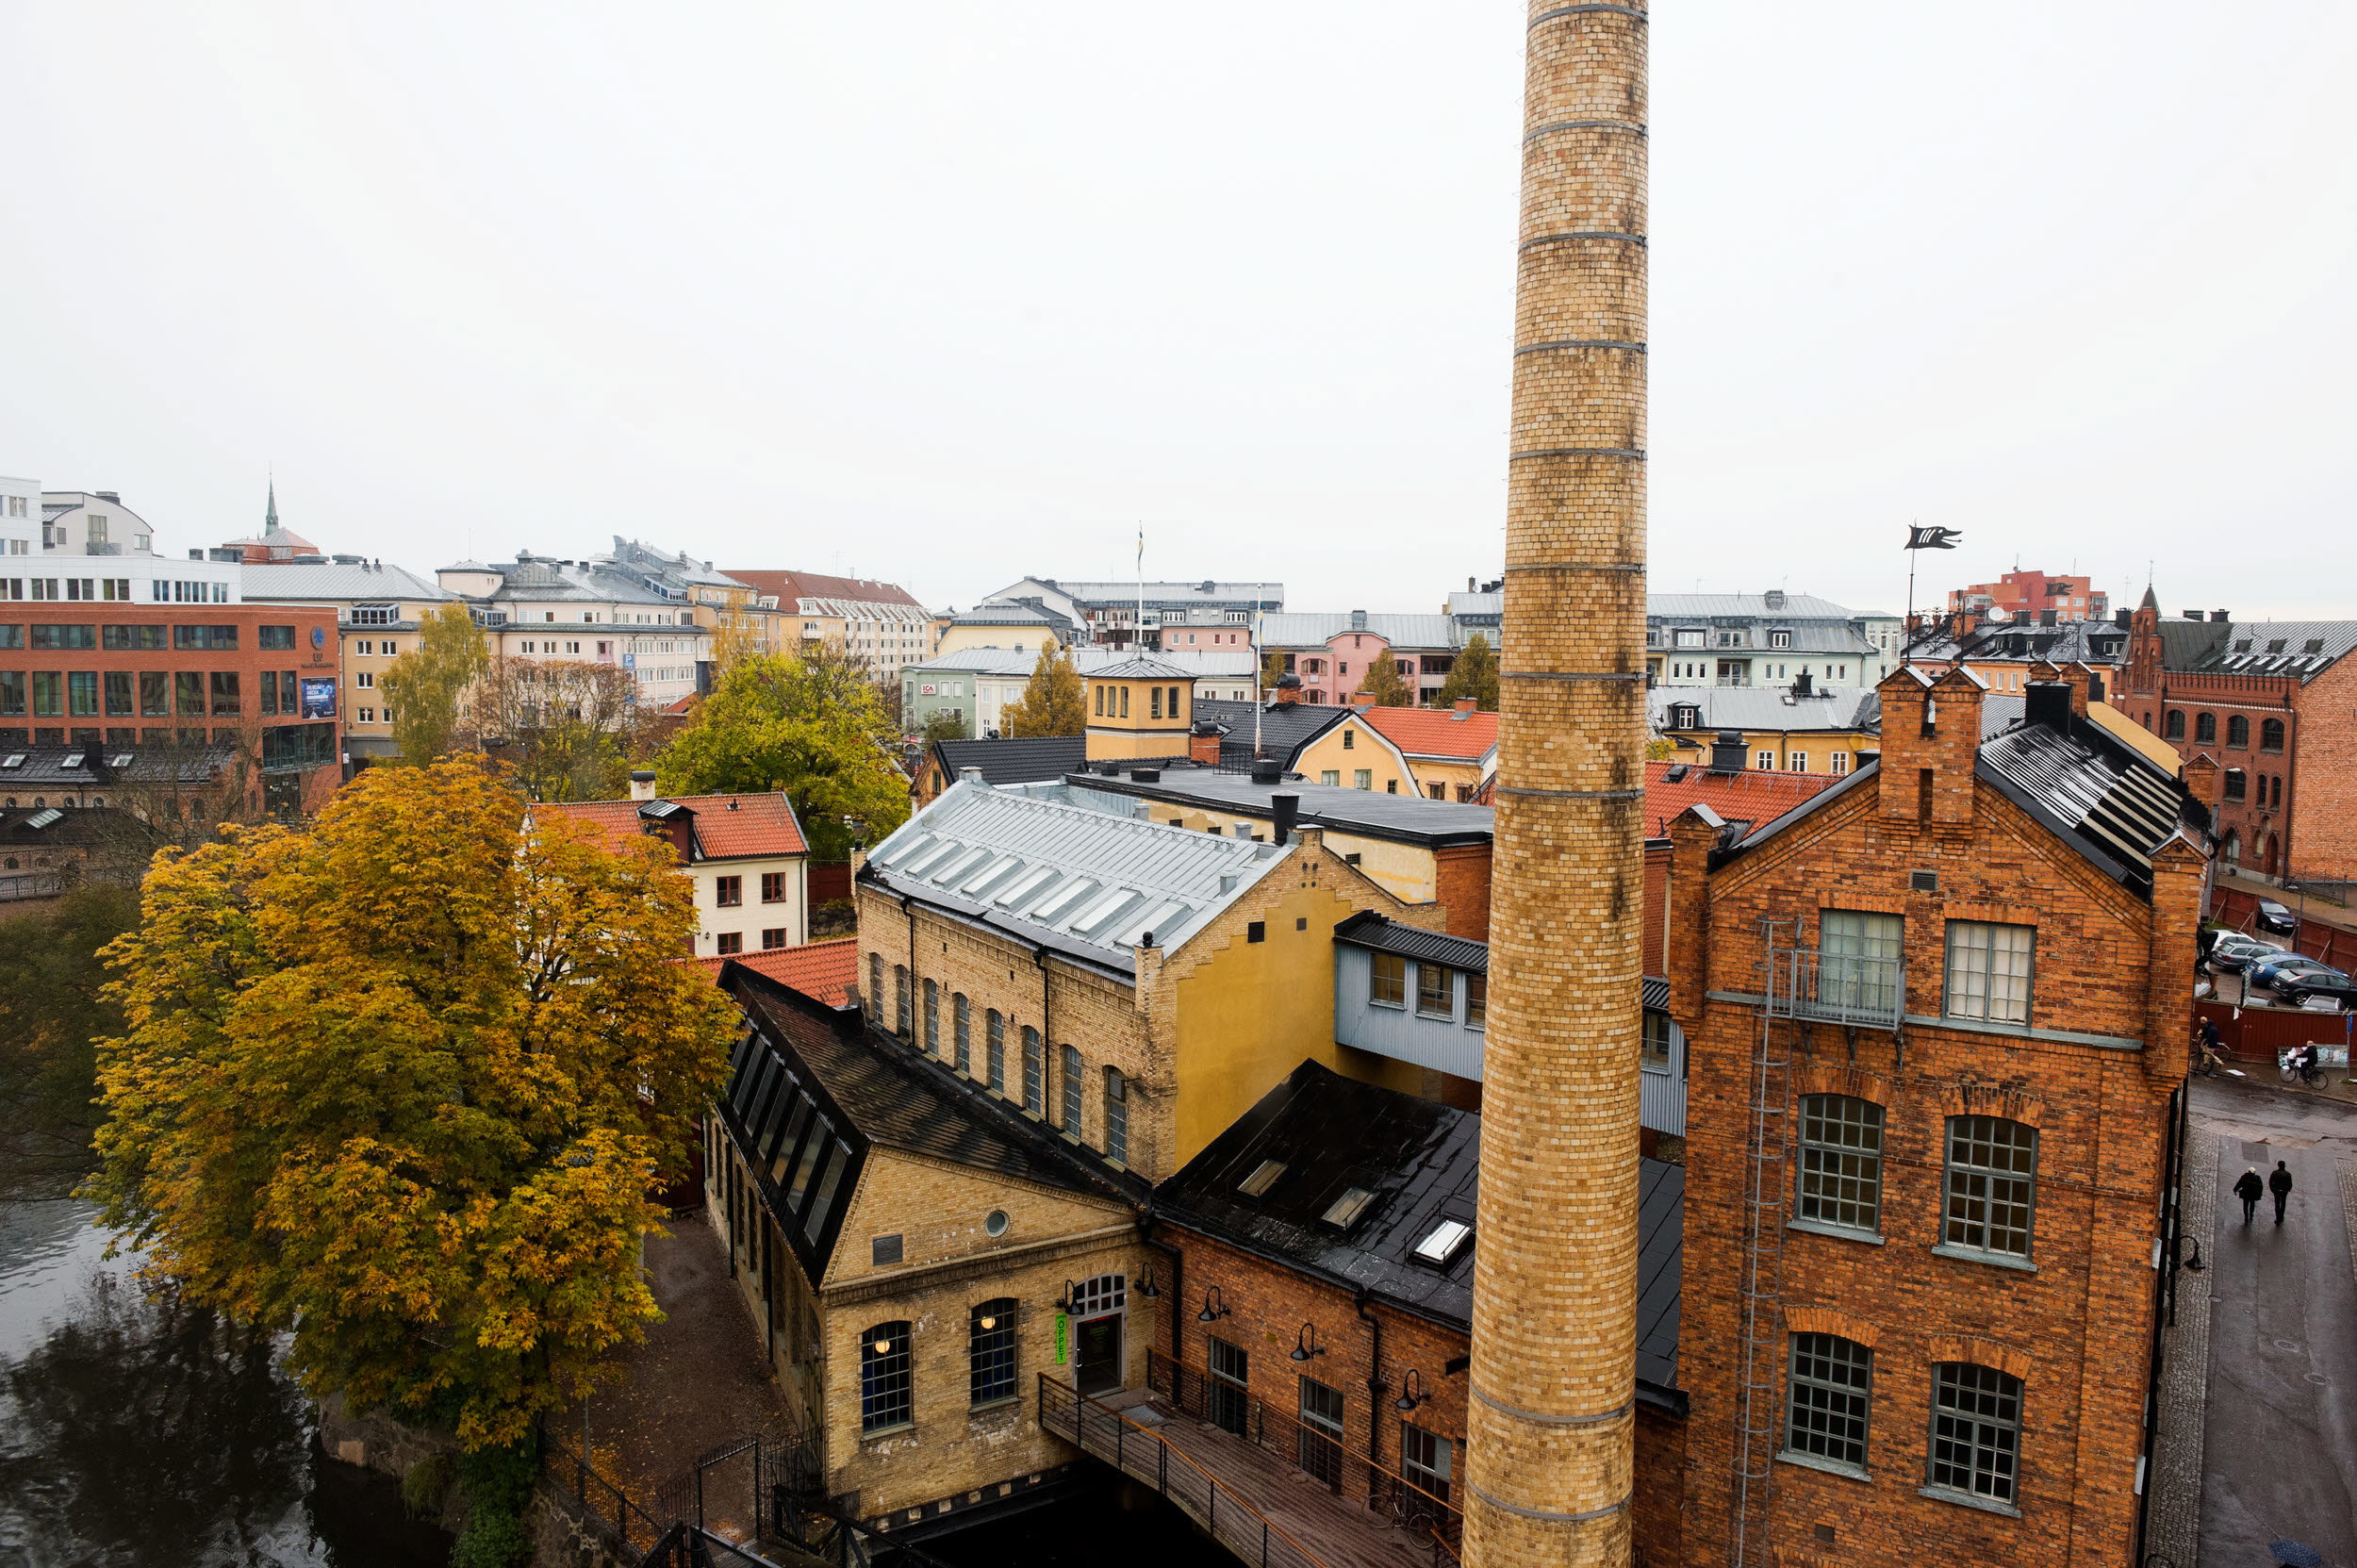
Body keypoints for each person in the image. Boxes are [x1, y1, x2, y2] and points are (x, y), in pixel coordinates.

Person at [2269, 1161, 2294, 1225]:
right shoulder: (2288, 1174)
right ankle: (2281, 1217)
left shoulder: (2274, 1173)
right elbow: (2290, 1184)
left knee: (2277, 1204)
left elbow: (2270, 1182)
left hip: (2276, 1191)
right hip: (2284, 1192)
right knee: (2283, 1203)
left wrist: (2273, 1190)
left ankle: (2278, 1218)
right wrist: (2287, 1190)